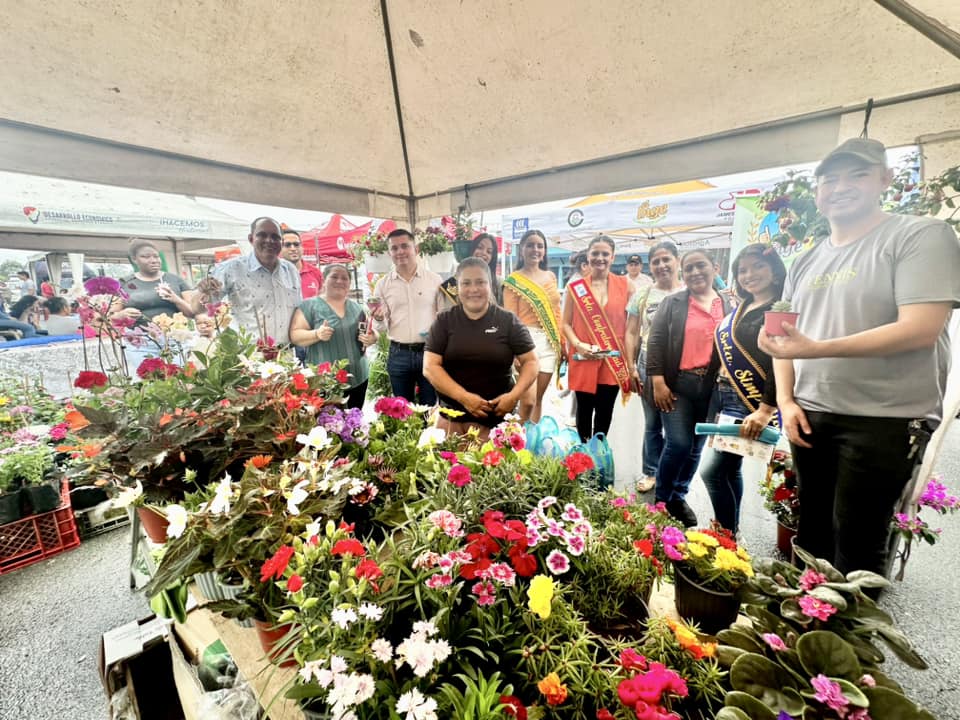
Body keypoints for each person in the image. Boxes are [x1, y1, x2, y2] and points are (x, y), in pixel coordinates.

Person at [759, 137, 960, 576]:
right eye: (829, 179)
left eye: (858, 174)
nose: (840, 187)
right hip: (811, 413)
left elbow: (920, 328)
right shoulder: (806, 260)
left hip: (884, 418)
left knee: (858, 543)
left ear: (885, 179)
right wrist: (786, 401)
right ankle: (809, 618)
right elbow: (782, 340)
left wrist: (815, 349)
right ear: (818, 192)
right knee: (811, 534)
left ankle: (850, 623)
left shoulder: (920, 235)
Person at [699, 243, 786, 533]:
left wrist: (765, 409)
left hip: (749, 400)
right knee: (729, 468)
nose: (749, 275)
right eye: (743, 270)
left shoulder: (779, 310)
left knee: (712, 472)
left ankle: (725, 534)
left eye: (758, 266)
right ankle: (730, 530)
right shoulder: (743, 306)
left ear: (775, 271)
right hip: (724, 394)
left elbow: (780, 362)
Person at [646, 249, 733, 527]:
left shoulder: (728, 304)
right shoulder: (672, 303)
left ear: (715, 268)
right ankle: (662, 500)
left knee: (696, 447)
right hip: (678, 384)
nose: (695, 272)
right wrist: (657, 381)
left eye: (701, 266)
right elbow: (656, 342)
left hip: (712, 388)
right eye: (689, 268)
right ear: (683, 274)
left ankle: (678, 496)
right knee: (679, 443)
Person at [424, 257, 538, 438]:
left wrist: (513, 396)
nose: (473, 289)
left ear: (490, 284)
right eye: (466, 283)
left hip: (495, 422)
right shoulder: (444, 321)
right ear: (457, 287)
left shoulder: (508, 321)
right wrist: (464, 397)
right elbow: (430, 367)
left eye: (480, 282)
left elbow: (531, 362)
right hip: (451, 419)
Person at [562, 235, 634, 442]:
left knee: (605, 412)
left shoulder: (626, 285)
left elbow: (632, 327)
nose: (600, 258)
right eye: (595, 253)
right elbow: (565, 323)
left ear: (613, 257)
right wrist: (578, 345)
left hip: (612, 361)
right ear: (588, 256)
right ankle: (584, 455)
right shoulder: (575, 288)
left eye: (605, 254)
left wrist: (631, 363)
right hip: (583, 358)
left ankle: (599, 453)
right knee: (583, 411)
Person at [624, 241, 684, 492]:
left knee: (678, 427)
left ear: (677, 261)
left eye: (666, 259)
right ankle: (650, 471)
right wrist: (631, 366)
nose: (662, 265)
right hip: (648, 362)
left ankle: (672, 474)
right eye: (656, 261)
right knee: (652, 423)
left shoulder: (690, 291)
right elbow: (630, 332)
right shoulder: (643, 295)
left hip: (684, 366)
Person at [193, 217, 302, 345]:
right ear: (251, 239)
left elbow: (298, 310)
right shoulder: (230, 269)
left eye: (275, 237)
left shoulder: (290, 270)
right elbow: (198, 309)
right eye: (262, 235)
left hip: (286, 351)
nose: (269, 240)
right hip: (249, 352)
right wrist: (203, 292)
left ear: (281, 242)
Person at [370, 228, 442, 404]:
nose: (400, 251)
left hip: (429, 352)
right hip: (398, 354)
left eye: (405, 246)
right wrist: (378, 318)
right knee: (401, 409)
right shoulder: (383, 285)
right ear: (389, 253)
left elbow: (443, 317)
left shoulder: (435, 280)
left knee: (429, 408)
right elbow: (381, 327)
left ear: (415, 249)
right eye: (394, 248)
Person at [290, 264, 377, 408]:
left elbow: (369, 332)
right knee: (329, 420)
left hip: (358, 378)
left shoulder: (356, 307)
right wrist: (317, 334)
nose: (339, 281)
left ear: (349, 283)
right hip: (325, 383)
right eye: (334, 277)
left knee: (355, 419)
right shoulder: (309, 306)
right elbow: (295, 335)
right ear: (324, 280)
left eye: (344, 278)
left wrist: (372, 338)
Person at [503, 229, 562, 423]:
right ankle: (517, 437)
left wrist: (561, 342)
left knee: (538, 399)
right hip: (525, 341)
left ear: (544, 251)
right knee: (527, 401)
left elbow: (557, 312)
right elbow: (511, 319)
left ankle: (533, 439)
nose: (535, 249)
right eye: (530, 245)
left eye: (540, 246)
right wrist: (514, 351)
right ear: (521, 249)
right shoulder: (514, 280)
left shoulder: (551, 276)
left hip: (549, 341)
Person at [116, 240, 196, 321]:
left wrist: (176, 299)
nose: (154, 261)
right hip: (136, 329)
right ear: (134, 259)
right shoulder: (124, 282)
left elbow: (193, 313)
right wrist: (121, 314)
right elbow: (111, 315)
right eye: (146, 257)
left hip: (174, 328)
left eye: (156, 256)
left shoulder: (176, 280)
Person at [438, 233, 501, 309]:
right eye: (480, 247)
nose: (484, 253)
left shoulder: (498, 282)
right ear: (472, 249)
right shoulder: (452, 284)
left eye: (489, 252)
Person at [281, 227, 324, 299]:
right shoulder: (275, 273)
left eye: (296, 244)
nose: (293, 248)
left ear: (302, 247)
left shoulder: (315, 272)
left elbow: (322, 299)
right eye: (287, 245)